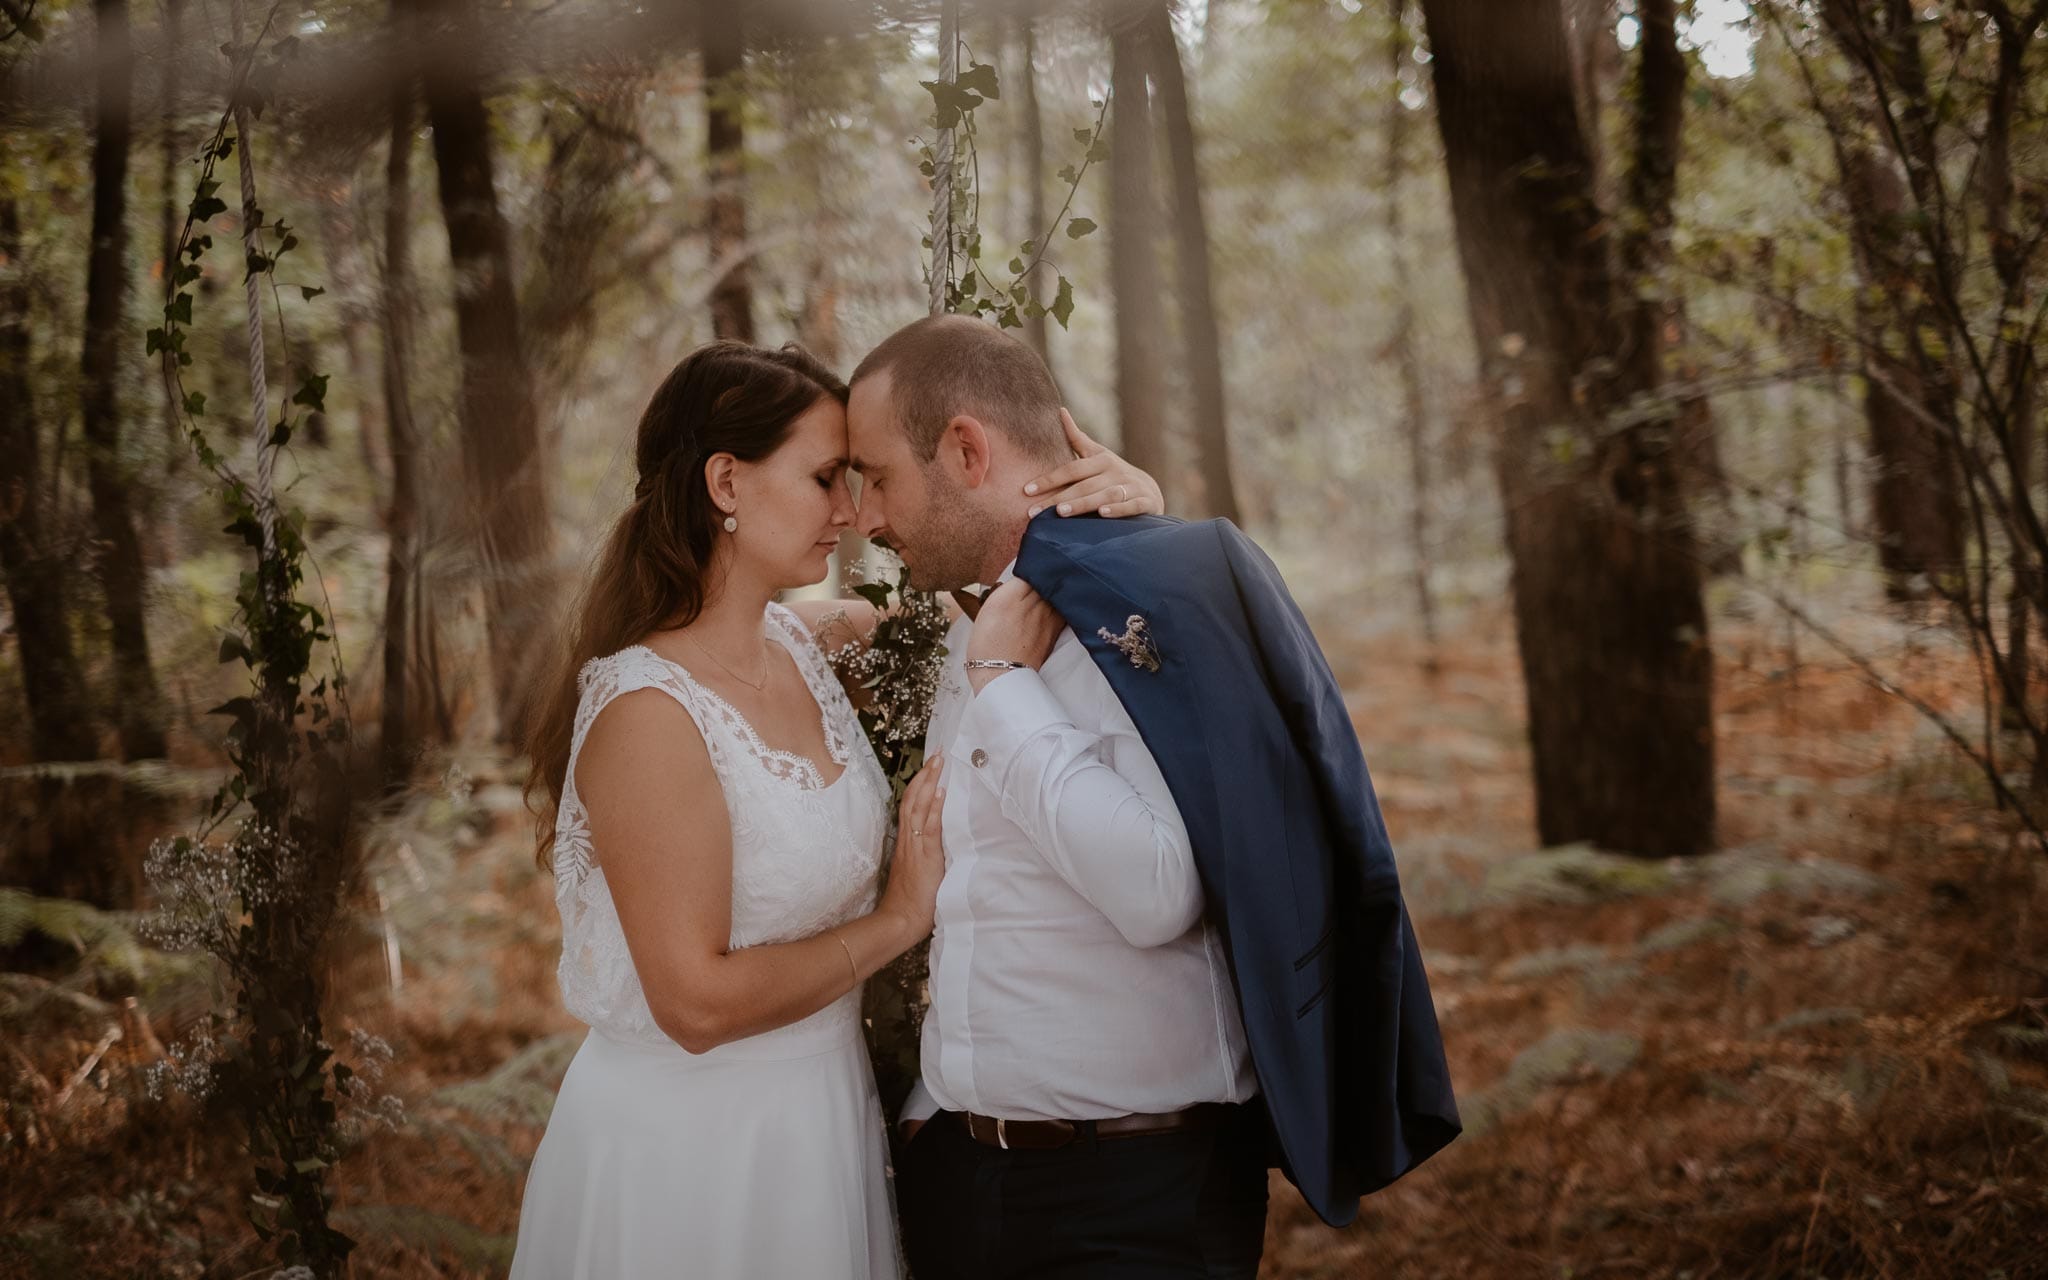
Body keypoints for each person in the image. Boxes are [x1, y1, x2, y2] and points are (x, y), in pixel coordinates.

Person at [509, 339, 1163, 1278]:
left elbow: (990, 577)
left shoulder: (808, 641)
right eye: (825, 479)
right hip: (692, 1154)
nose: (853, 513)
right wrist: (901, 917)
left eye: (857, 480)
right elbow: (693, 1002)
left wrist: (1125, 509)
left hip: (822, 1122)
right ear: (726, 482)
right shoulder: (648, 713)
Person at [844, 315, 1462, 1280]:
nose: (867, 517)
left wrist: (1006, 684)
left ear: (966, 449)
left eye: (877, 476)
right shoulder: (975, 617)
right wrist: (931, 1126)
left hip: (1129, 1210)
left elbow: (1157, 890)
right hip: (961, 1184)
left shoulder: (1146, 609)